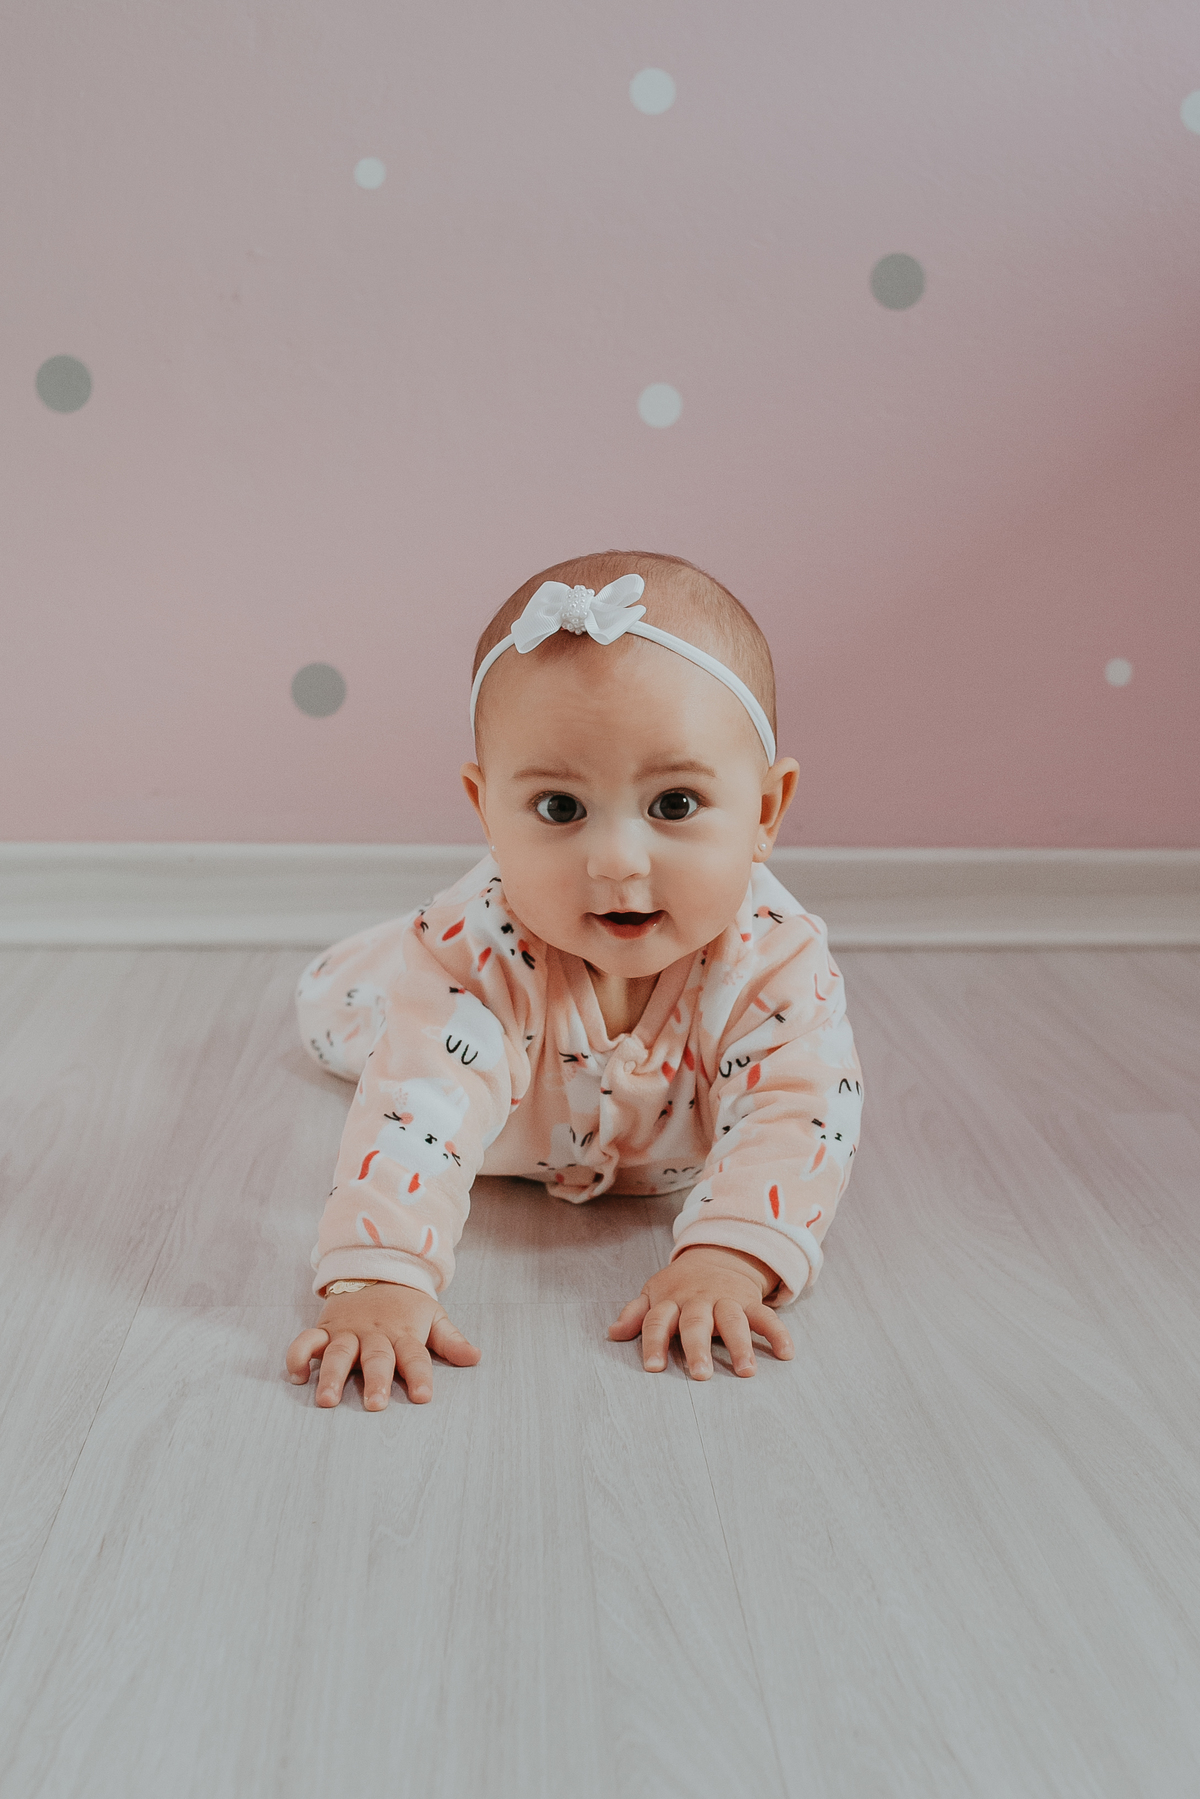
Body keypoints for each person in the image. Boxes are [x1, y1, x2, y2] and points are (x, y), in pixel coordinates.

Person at [285, 550, 864, 1409]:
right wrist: (380, 1278)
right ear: (487, 811)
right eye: (560, 808)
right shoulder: (471, 956)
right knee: (351, 1015)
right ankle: (381, 963)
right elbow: (414, 1110)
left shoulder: (778, 961)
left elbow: (800, 1113)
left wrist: (729, 1257)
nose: (617, 860)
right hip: (425, 1017)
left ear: (766, 811)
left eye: (674, 804)